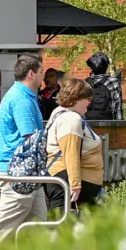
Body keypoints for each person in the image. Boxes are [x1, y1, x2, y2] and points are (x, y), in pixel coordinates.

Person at [0, 54, 47, 245]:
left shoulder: (23, 96)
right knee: (2, 227)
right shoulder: (22, 100)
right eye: (41, 72)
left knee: (38, 226)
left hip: (27, 172)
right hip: (18, 172)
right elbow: (30, 138)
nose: (44, 76)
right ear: (31, 74)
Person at [46, 77, 104, 210]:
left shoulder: (62, 114)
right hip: (66, 183)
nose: (90, 103)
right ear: (77, 97)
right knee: (61, 226)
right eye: (88, 99)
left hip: (66, 181)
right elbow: (71, 153)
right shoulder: (71, 119)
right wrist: (76, 185)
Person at [84, 52, 124, 122]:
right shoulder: (113, 82)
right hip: (107, 126)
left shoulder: (85, 83)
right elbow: (118, 107)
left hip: (87, 126)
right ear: (106, 66)